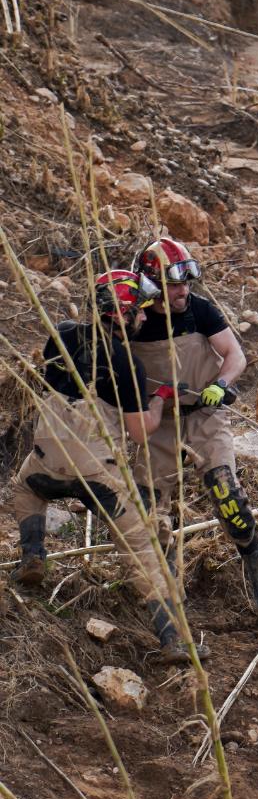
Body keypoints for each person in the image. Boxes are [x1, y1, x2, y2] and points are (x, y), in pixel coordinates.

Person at [10, 271, 199, 661]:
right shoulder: (127, 361)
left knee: (24, 489)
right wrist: (159, 401)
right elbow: (139, 431)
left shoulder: (61, 332)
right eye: (139, 312)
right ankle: (174, 639)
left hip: (46, 461)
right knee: (141, 546)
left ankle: (33, 553)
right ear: (122, 314)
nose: (144, 319)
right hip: (98, 474)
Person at [131, 237, 258, 615]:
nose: (183, 291)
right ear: (152, 285)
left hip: (204, 416)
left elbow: (234, 354)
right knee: (152, 509)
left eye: (185, 283)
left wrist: (220, 385)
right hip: (157, 421)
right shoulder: (135, 320)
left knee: (227, 493)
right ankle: (167, 589)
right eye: (175, 285)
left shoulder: (199, 310)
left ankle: (253, 561)